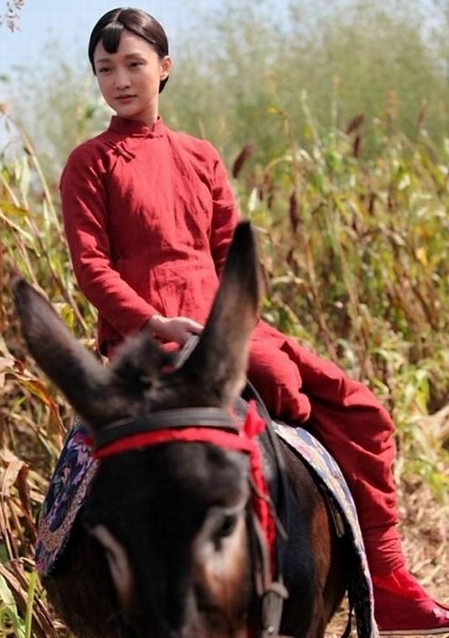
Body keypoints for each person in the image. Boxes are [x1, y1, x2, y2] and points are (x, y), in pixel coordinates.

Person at [58, 7, 449, 635]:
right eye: (106, 69)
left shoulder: (202, 156)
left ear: (165, 67)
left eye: (133, 64)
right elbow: (93, 268)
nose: (120, 80)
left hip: (220, 319)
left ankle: (385, 572)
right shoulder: (90, 162)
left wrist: (232, 322)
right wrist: (156, 322)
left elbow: (225, 255)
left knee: (359, 409)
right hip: (146, 334)